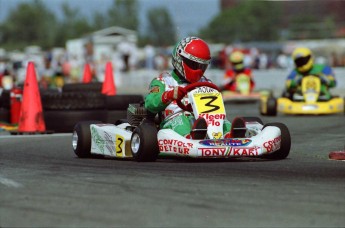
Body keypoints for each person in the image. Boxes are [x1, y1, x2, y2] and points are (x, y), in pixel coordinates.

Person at [144, 37, 233, 139]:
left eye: (202, 66)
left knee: (221, 119)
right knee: (182, 119)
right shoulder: (164, 81)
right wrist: (169, 95)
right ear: (180, 59)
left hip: (205, 119)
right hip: (173, 121)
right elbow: (149, 103)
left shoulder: (206, 82)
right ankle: (190, 137)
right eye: (194, 65)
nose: (198, 70)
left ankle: (229, 135)